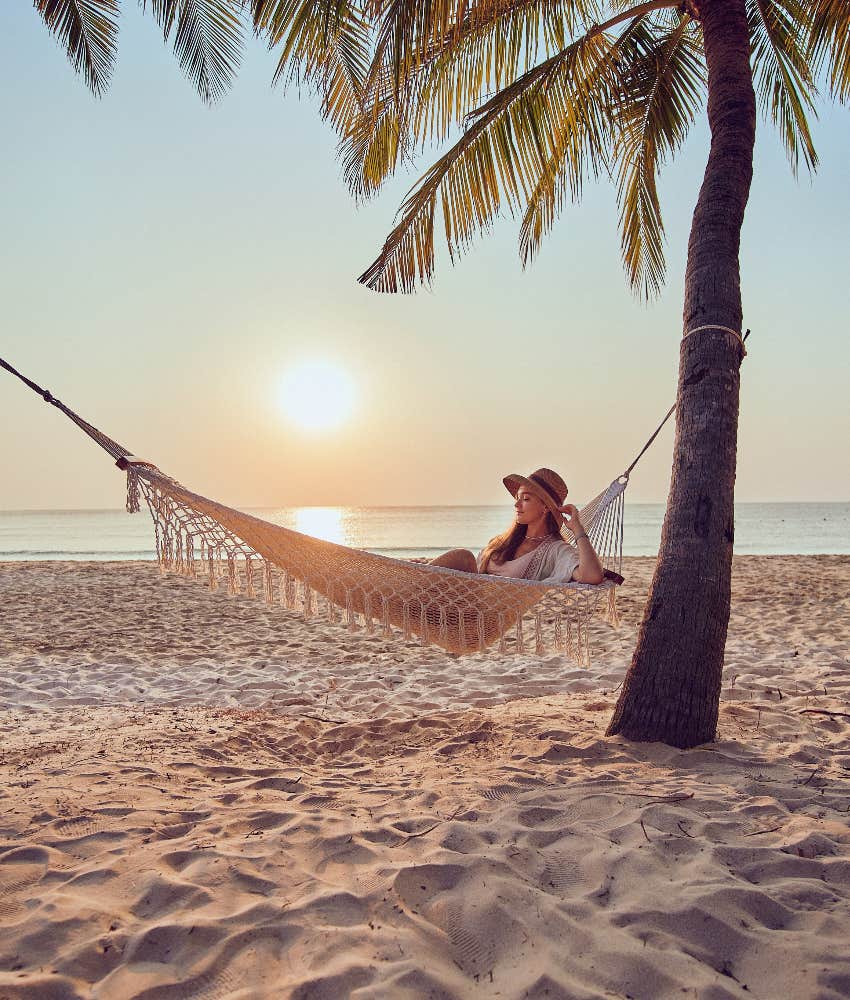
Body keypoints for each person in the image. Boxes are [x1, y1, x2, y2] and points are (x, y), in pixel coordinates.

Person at [431, 467, 604, 585]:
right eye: (517, 499)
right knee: (459, 559)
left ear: (545, 507)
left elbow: (592, 576)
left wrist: (578, 529)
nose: (517, 505)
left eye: (526, 499)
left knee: (463, 556)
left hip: (483, 615)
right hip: (459, 602)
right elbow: (472, 575)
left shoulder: (555, 550)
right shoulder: (501, 542)